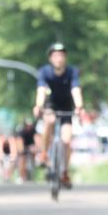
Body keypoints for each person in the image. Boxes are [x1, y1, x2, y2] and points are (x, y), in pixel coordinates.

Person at [33, 42, 84, 190]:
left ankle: (64, 172)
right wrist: (39, 106)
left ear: (65, 58)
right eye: (55, 56)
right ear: (50, 58)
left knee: (67, 140)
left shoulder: (72, 72)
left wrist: (79, 106)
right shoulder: (44, 72)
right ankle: (44, 153)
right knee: (50, 120)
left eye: (61, 55)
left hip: (67, 106)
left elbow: (76, 89)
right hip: (51, 105)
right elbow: (41, 90)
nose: (59, 58)